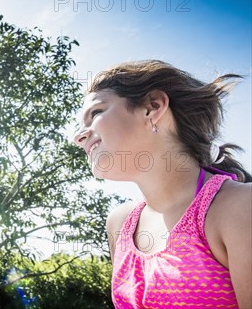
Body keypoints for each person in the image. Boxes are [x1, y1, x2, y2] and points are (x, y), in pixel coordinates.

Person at [72, 60, 251, 308]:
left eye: (96, 113)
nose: (79, 136)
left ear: (153, 107)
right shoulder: (119, 224)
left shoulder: (240, 207)